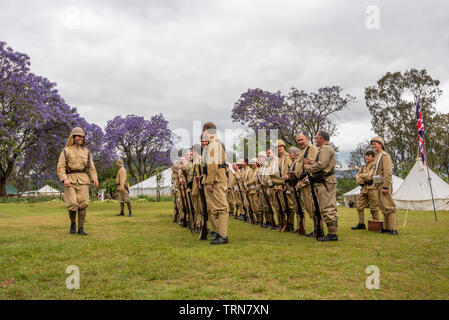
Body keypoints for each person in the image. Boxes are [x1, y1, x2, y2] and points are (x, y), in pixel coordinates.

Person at [57, 127, 98, 236]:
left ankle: (81, 228)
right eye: (78, 136)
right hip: (69, 180)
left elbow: (92, 168)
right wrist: (64, 179)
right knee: (72, 204)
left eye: (82, 137)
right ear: (73, 137)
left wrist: (95, 178)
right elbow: (60, 167)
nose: (81, 138)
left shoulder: (86, 152)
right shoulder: (65, 151)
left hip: (83, 180)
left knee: (83, 204)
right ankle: (73, 223)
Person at [304, 130, 338, 242]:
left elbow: (321, 164)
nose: (315, 140)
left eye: (316, 137)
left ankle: (332, 234)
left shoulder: (325, 149)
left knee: (327, 206)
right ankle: (331, 232)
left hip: (326, 181)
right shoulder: (324, 149)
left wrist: (308, 168)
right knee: (324, 206)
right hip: (323, 181)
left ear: (321, 138)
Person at [202, 122, 229, 244]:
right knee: (216, 207)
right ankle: (219, 233)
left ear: (207, 131)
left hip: (217, 179)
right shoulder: (216, 142)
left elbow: (212, 164)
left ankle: (223, 235)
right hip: (218, 177)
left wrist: (209, 181)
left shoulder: (213, 143)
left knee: (221, 207)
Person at [294, 132, 320, 238]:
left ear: (307, 139)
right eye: (298, 140)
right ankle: (315, 229)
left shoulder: (312, 149)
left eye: (302, 140)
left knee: (313, 206)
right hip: (302, 182)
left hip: (308, 182)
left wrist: (308, 178)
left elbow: (313, 165)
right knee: (309, 208)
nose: (300, 142)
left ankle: (318, 230)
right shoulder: (302, 151)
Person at [371, 137, 398, 235]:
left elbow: (388, 172)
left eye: (375, 144)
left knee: (389, 206)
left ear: (381, 145)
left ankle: (393, 228)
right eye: (372, 144)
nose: (374, 146)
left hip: (383, 183)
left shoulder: (384, 155)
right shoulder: (377, 155)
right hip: (377, 184)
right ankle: (386, 227)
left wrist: (386, 186)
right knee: (382, 206)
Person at [352, 150, 380, 230]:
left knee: (374, 208)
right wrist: (362, 178)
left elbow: (369, 176)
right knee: (359, 207)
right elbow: (357, 177)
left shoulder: (375, 166)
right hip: (363, 188)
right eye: (366, 156)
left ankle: (376, 224)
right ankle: (361, 224)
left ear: (373, 157)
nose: (366, 157)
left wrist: (361, 176)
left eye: (368, 156)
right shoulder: (363, 167)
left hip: (373, 188)